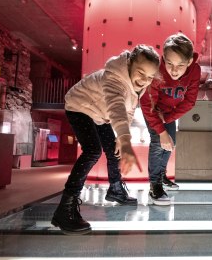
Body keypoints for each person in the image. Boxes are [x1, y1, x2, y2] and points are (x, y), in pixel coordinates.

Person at [51, 45, 160, 234]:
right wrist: (125, 140)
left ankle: (116, 190)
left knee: (113, 150)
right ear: (129, 64)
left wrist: (121, 137)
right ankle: (64, 209)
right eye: (141, 73)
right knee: (93, 150)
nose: (144, 80)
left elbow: (128, 109)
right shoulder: (115, 78)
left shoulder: (137, 87)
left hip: (100, 113)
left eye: (150, 77)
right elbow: (116, 105)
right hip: (80, 105)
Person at [140, 33, 201, 205]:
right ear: (163, 59)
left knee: (170, 142)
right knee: (159, 143)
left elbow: (189, 102)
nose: (174, 70)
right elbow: (146, 103)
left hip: (167, 112)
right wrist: (160, 130)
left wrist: (167, 118)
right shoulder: (156, 69)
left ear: (189, 62)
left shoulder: (195, 70)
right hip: (152, 110)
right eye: (169, 64)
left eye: (180, 65)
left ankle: (161, 176)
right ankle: (154, 186)